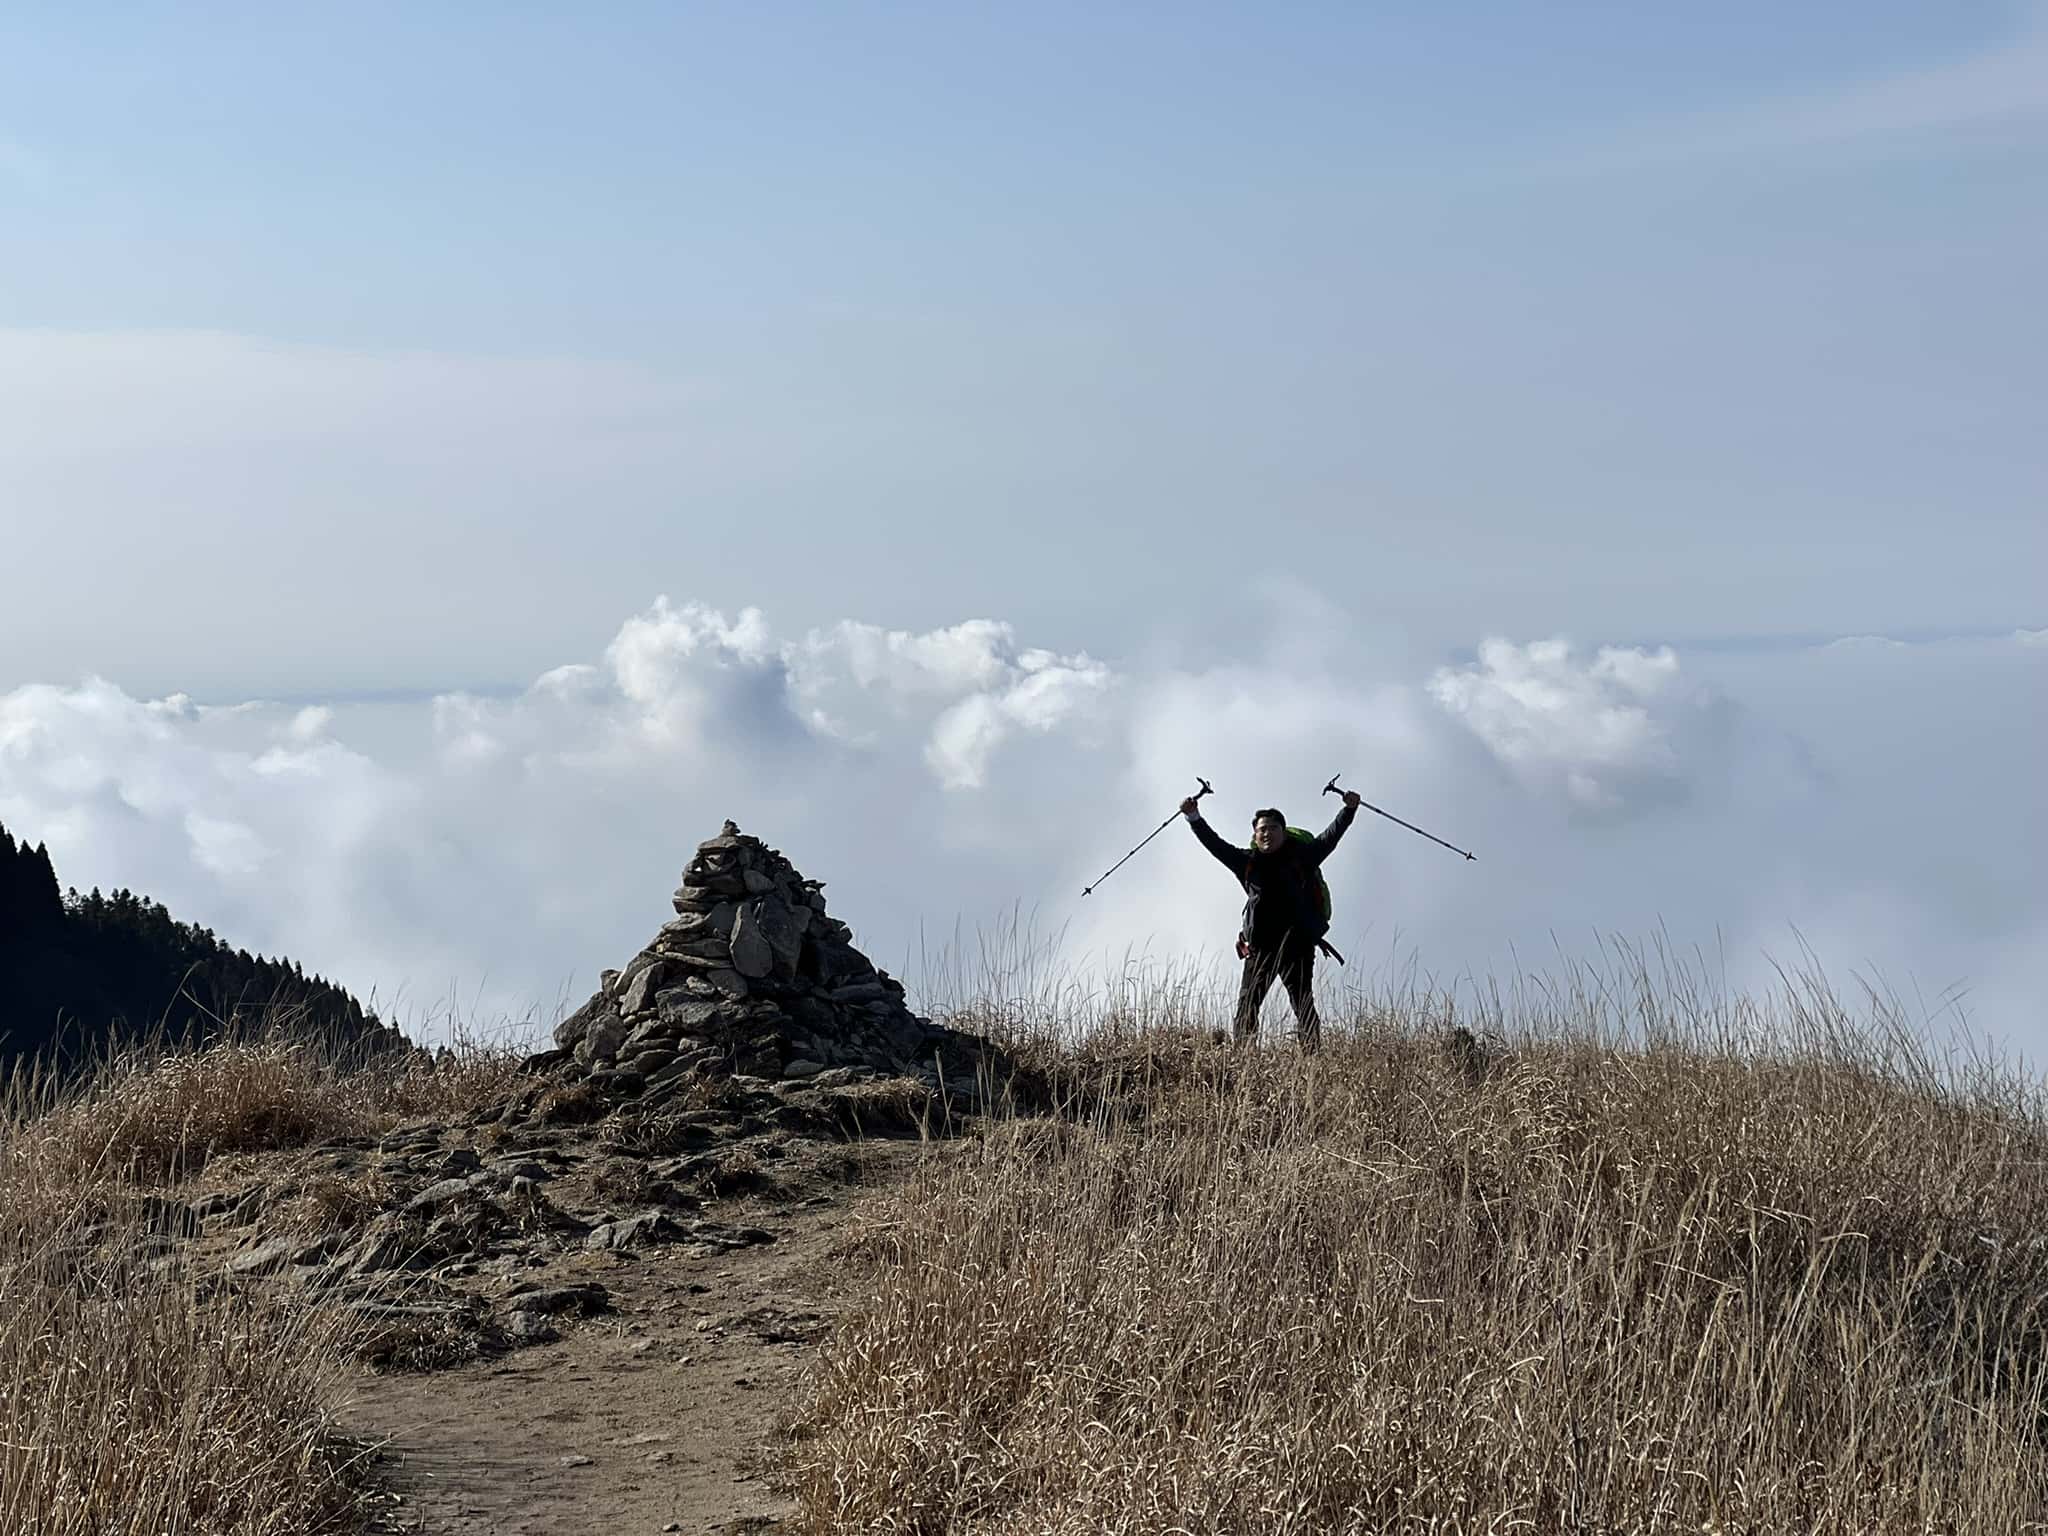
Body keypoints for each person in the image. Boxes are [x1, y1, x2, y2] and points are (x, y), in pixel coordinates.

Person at [1180, 788, 1361, 1050]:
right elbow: (1215, 845)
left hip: (1296, 945)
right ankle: (1243, 1058)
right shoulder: (1246, 862)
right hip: (1260, 947)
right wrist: (1193, 816)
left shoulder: (1302, 857)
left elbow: (1330, 838)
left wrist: (1349, 810)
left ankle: (1312, 1059)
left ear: (1283, 832)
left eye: (1273, 828)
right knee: (1248, 1003)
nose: (1267, 832)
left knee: (1302, 1002)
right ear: (1255, 835)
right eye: (1262, 829)